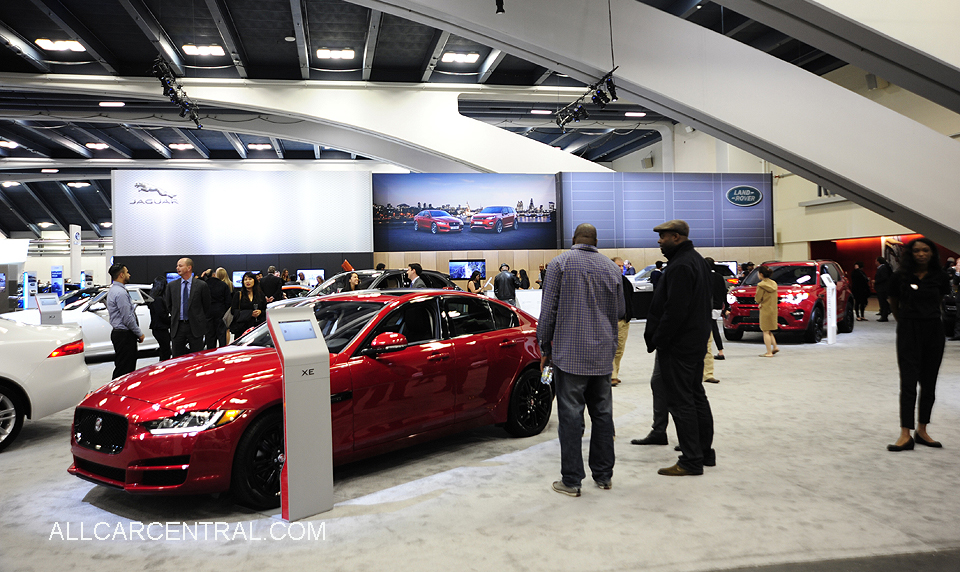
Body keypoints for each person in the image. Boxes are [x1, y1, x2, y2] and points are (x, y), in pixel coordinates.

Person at [538, 223, 623, 496]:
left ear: (573, 239)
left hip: (569, 353)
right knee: (603, 414)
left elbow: (548, 310)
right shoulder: (612, 268)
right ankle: (604, 476)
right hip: (602, 354)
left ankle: (572, 480)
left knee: (571, 416)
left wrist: (544, 348)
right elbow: (619, 311)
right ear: (596, 240)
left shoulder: (559, 264)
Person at [638, 219, 714, 476]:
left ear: (677, 237)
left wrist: (660, 338)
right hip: (694, 342)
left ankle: (691, 460)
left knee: (681, 401)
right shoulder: (697, 261)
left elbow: (675, 311)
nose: (659, 241)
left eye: (663, 237)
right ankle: (704, 453)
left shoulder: (681, 266)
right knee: (695, 395)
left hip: (679, 345)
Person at [887, 237, 950, 452]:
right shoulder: (900, 277)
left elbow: (939, 300)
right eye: (916, 251)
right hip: (908, 330)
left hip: (934, 331)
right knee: (908, 382)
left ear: (932, 253)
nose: (921, 254)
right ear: (910, 254)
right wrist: (905, 320)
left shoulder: (940, 277)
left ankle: (922, 430)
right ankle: (905, 433)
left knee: (929, 382)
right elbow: (893, 302)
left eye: (925, 250)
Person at [164, 257, 211, 358]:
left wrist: (199, 318)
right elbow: (169, 305)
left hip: (195, 326)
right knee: (177, 357)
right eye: (177, 266)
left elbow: (206, 306)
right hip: (178, 326)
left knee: (197, 357)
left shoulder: (201, 285)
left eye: (180, 266)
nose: (177, 268)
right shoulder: (172, 286)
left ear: (189, 268)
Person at [106, 263, 144, 378]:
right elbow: (127, 318)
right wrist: (139, 333)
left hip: (119, 334)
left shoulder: (113, 290)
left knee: (122, 365)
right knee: (125, 369)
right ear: (121, 275)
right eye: (127, 272)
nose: (129, 274)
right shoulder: (121, 293)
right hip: (125, 336)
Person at [702, 258, 727, 382]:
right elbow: (724, 292)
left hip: (704, 310)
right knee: (713, 330)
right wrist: (725, 307)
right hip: (717, 308)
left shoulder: (702, 277)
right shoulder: (719, 277)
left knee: (708, 336)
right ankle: (720, 351)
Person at [610, 257, 634, 387]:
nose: (620, 268)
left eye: (621, 266)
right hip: (610, 322)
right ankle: (611, 376)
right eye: (618, 266)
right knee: (611, 349)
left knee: (619, 350)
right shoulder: (606, 281)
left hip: (624, 321)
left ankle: (614, 375)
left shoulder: (625, 282)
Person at [230, 271, 267, 338]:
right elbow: (233, 311)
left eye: (250, 279)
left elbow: (265, 309)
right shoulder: (238, 295)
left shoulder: (260, 294)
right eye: (245, 279)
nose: (247, 281)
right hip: (242, 329)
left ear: (254, 280)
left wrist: (260, 312)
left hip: (257, 328)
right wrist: (250, 314)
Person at [203, 267, 232, 349]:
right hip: (221, 313)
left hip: (208, 313)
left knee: (210, 336)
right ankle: (222, 353)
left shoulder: (204, 285)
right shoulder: (224, 285)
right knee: (222, 335)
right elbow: (228, 302)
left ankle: (210, 355)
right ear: (214, 274)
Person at [755, 264, 780, 357]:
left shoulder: (761, 285)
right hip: (773, 309)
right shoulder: (774, 283)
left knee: (765, 331)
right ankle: (775, 347)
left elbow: (758, 298)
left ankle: (769, 352)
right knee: (769, 330)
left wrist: (759, 302)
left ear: (761, 274)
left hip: (765, 309)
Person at [148, 275, 171, 361]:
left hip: (157, 328)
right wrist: (173, 320)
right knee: (165, 351)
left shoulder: (153, 298)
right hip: (160, 328)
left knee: (164, 349)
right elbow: (163, 316)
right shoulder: (158, 300)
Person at [874, 256, 892, 321]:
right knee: (883, 302)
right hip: (881, 288)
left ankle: (884, 316)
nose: (875, 262)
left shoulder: (883, 268)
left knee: (883, 302)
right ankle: (886, 312)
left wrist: (876, 281)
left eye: (876, 261)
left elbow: (884, 277)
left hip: (882, 288)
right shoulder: (881, 268)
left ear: (878, 261)